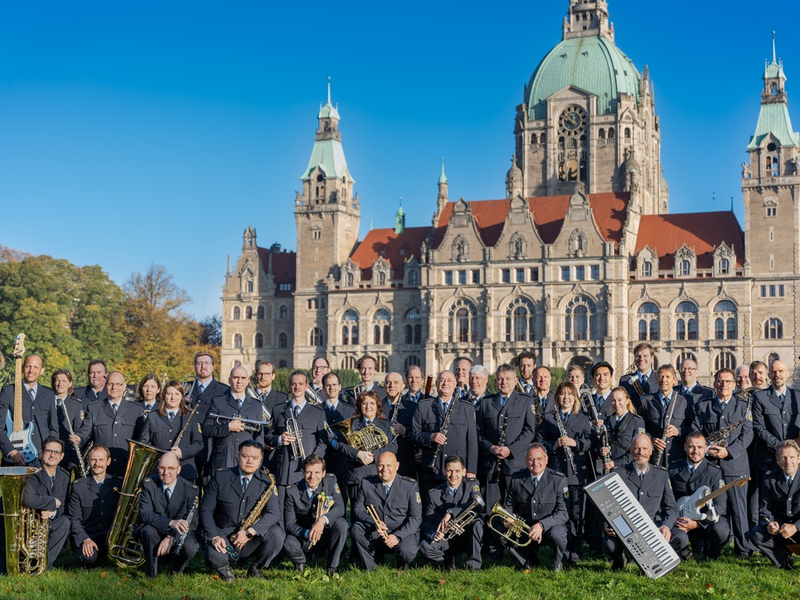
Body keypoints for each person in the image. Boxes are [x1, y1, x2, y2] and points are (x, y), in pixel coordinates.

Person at [200, 439, 284, 581]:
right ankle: (224, 568)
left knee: (277, 534)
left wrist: (249, 532)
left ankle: (256, 567)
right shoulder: (221, 477)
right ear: (237, 456)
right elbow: (205, 510)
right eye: (245, 456)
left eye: (255, 458)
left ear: (260, 460)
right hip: (224, 536)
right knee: (212, 557)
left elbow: (274, 513)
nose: (250, 461)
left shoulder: (267, 481)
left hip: (250, 538)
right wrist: (214, 536)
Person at [475, 364, 537, 558]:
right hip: (492, 465)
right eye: (500, 379)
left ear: (515, 380)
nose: (504, 382)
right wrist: (490, 447)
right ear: (495, 381)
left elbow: (529, 431)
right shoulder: (486, 402)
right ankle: (495, 549)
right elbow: (478, 432)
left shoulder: (525, 401)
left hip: (515, 464)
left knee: (516, 508)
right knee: (492, 508)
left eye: (508, 379)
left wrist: (511, 450)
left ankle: (518, 548)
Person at [691, 368, 753, 559]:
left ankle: (743, 551)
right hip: (710, 468)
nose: (723, 385)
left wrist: (729, 452)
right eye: (720, 381)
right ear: (714, 383)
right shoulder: (703, 406)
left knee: (738, 511)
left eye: (728, 382)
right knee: (706, 509)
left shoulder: (743, 406)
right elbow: (695, 431)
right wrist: (706, 449)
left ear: (734, 385)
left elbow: (748, 434)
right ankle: (707, 550)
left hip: (735, 467)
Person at [603, 434, 677, 571]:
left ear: (651, 451)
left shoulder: (661, 475)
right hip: (625, 529)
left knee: (680, 538)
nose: (640, 452)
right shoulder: (618, 474)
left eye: (644, 448)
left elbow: (671, 507)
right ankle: (620, 560)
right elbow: (606, 505)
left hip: (652, 528)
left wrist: (666, 526)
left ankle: (652, 558)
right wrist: (607, 523)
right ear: (631, 450)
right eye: (637, 448)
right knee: (609, 544)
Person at [537, 381, 591, 563]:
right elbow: (539, 442)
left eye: (570, 394)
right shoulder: (549, 418)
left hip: (576, 475)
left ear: (575, 397)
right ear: (557, 397)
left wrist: (576, 443)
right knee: (560, 512)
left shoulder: (583, 417)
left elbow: (590, 442)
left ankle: (575, 551)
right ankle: (561, 549)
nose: (566, 397)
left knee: (577, 514)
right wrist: (555, 445)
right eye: (562, 394)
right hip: (557, 474)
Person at [410, 370, 478, 501]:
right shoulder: (423, 406)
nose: (445, 383)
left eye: (449, 381)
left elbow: (472, 443)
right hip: (432, 470)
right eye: (442, 380)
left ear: (455, 385)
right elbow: (412, 435)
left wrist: (471, 471)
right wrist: (430, 437)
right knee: (430, 511)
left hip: (457, 472)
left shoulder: (467, 408)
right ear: (436, 383)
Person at [350, 451, 421, 571]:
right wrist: (373, 522)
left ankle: (402, 561)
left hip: (401, 533)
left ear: (397, 466)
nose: (384, 469)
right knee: (356, 528)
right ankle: (371, 565)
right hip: (377, 532)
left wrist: (397, 536)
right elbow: (357, 509)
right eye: (381, 465)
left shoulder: (410, 486)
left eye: (389, 465)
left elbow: (416, 518)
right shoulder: (367, 483)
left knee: (407, 552)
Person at [502, 443, 568, 571]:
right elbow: (509, 505)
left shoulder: (558, 480)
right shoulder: (516, 478)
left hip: (549, 527)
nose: (535, 463)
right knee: (501, 532)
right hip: (527, 527)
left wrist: (541, 525)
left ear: (546, 459)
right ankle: (528, 559)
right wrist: (507, 517)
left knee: (558, 534)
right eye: (531, 459)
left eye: (539, 459)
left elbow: (563, 513)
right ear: (526, 461)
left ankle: (557, 561)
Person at [137, 451, 200, 577]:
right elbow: (144, 514)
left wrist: (172, 536)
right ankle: (151, 573)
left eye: (171, 468)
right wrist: (170, 523)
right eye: (162, 468)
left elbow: (192, 522)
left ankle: (176, 570)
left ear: (178, 469)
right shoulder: (149, 485)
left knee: (191, 547)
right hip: (155, 529)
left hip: (178, 532)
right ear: (157, 468)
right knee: (148, 531)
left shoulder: (191, 490)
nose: (166, 473)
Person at [282, 454, 348, 576]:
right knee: (287, 541)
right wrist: (308, 533)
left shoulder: (331, 481)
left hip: (325, 535)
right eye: (308, 472)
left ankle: (332, 567)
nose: (312, 476)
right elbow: (289, 525)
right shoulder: (292, 491)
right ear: (302, 472)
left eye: (317, 472)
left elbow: (340, 508)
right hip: (305, 537)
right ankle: (301, 562)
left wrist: (322, 520)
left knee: (342, 524)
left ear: (324, 473)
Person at [668, 433, 730, 560]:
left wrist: (697, 524)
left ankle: (711, 554)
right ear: (685, 447)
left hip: (704, 520)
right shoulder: (673, 469)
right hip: (679, 519)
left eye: (700, 447)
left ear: (706, 448)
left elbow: (720, 505)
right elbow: (667, 500)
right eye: (691, 447)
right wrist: (675, 520)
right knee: (674, 535)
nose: (695, 451)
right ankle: (684, 552)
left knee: (721, 530)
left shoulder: (715, 472)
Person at [330, 391, 397, 508]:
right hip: (356, 474)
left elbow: (393, 446)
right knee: (357, 512)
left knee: (379, 511)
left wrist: (373, 455)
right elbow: (340, 445)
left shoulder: (386, 425)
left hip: (377, 474)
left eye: (372, 403)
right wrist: (359, 454)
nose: (368, 407)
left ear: (377, 406)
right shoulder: (352, 424)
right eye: (364, 403)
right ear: (359, 406)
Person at [419, 455, 484, 571]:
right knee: (425, 547)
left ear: (464, 472)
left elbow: (478, 503)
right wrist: (434, 534)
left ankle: (474, 566)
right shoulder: (434, 493)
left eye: (457, 471)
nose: (453, 475)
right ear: (444, 471)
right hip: (447, 539)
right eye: (450, 471)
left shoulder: (472, 484)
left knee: (477, 521)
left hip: (467, 536)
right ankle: (449, 557)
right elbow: (426, 523)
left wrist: (451, 512)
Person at [265, 370, 327, 487]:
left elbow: (323, 442)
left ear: (306, 386)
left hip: (308, 473)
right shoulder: (278, 410)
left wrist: (314, 461)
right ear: (289, 386)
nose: (297, 387)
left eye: (300, 384)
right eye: (294, 384)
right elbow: (268, 437)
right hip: (284, 471)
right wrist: (279, 439)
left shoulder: (317, 413)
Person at [203, 366, 267, 473]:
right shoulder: (217, 402)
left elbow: (259, 437)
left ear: (248, 381)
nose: (239, 381)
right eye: (235, 377)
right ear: (229, 380)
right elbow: (206, 429)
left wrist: (258, 462)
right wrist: (227, 427)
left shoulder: (256, 405)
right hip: (223, 461)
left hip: (248, 462)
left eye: (243, 378)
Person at [139, 380, 204, 483]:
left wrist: (182, 452)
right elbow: (143, 442)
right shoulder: (152, 417)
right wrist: (159, 454)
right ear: (164, 395)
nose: (173, 397)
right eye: (169, 394)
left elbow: (198, 444)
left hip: (184, 472)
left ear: (182, 396)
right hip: (159, 471)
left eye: (177, 394)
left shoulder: (190, 416)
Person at [67, 445, 122, 565]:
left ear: (108, 461)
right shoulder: (78, 487)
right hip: (88, 536)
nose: (97, 463)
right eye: (93, 460)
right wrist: (85, 539)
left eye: (101, 460)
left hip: (110, 538)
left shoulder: (120, 484)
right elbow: (74, 519)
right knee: (89, 559)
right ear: (88, 461)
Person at [21, 436, 71, 570]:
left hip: (49, 520)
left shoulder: (64, 476)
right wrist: (52, 502)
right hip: (29, 522)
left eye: (57, 452)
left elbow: (64, 506)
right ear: (41, 452)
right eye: (49, 451)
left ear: (62, 456)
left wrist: (53, 512)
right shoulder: (32, 471)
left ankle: (43, 564)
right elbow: (29, 499)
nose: (52, 455)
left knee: (65, 522)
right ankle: (30, 561)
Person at [0, 353, 58, 466]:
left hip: (42, 459)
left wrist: (48, 451)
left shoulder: (49, 394)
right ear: (22, 368)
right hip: (14, 459)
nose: (31, 370)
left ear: (42, 371)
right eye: (28, 366)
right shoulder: (8, 392)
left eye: (36, 367)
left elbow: (54, 428)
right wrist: (11, 451)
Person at [750, 440, 800, 569]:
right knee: (757, 534)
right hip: (780, 528)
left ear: (799, 458)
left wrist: (796, 527)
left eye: (792, 457)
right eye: (783, 458)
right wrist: (769, 524)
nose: (788, 462)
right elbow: (765, 508)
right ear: (777, 460)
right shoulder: (769, 479)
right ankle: (784, 561)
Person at [83, 371, 145, 476]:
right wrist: (78, 437)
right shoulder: (94, 408)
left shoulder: (136, 409)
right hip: (101, 469)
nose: (114, 387)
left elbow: (142, 438)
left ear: (124, 386)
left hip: (126, 468)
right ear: (105, 385)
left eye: (118, 384)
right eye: (110, 384)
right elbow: (85, 431)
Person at [752, 360, 799, 482]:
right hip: (768, 461)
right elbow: (758, 427)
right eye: (773, 372)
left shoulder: (798, 397)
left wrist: (793, 448)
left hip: (794, 461)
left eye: (780, 371)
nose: (777, 375)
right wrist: (779, 447)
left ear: (787, 373)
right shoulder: (760, 397)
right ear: (769, 375)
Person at [638, 365, 693, 466]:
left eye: (667, 377)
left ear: (674, 380)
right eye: (661, 377)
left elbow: (693, 429)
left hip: (678, 458)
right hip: (655, 459)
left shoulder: (685, 401)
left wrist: (679, 431)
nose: (664, 380)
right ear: (657, 379)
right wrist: (651, 439)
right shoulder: (646, 401)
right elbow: (640, 429)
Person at [319, 372, 355, 510]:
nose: (331, 388)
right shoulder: (316, 410)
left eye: (334, 385)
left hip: (345, 462)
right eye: (328, 385)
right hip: (324, 461)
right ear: (323, 388)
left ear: (340, 387)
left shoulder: (350, 411)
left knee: (344, 500)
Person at [597, 387, 646, 472]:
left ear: (627, 400)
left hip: (628, 470)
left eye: (620, 400)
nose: (616, 404)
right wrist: (602, 450)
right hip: (609, 470)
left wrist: (615, 463)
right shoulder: (607, 421)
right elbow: (599, 444)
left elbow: (638, 451)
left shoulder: (637, 421)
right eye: (613, 400)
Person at [51, 368, 90, 474]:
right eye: (57, 380)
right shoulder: (46, 401)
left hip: (65, 455)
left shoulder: (76, 404)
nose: (60, 384)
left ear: (70, 383)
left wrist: (74, 458)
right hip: (47, 452)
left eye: (64, 381)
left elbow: (78, 432)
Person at [619, 343, 658, 410]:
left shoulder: (660, 378)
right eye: (638, 356)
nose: (641, 359)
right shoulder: (625, 380)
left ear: (652, 359)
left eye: (645, 356)